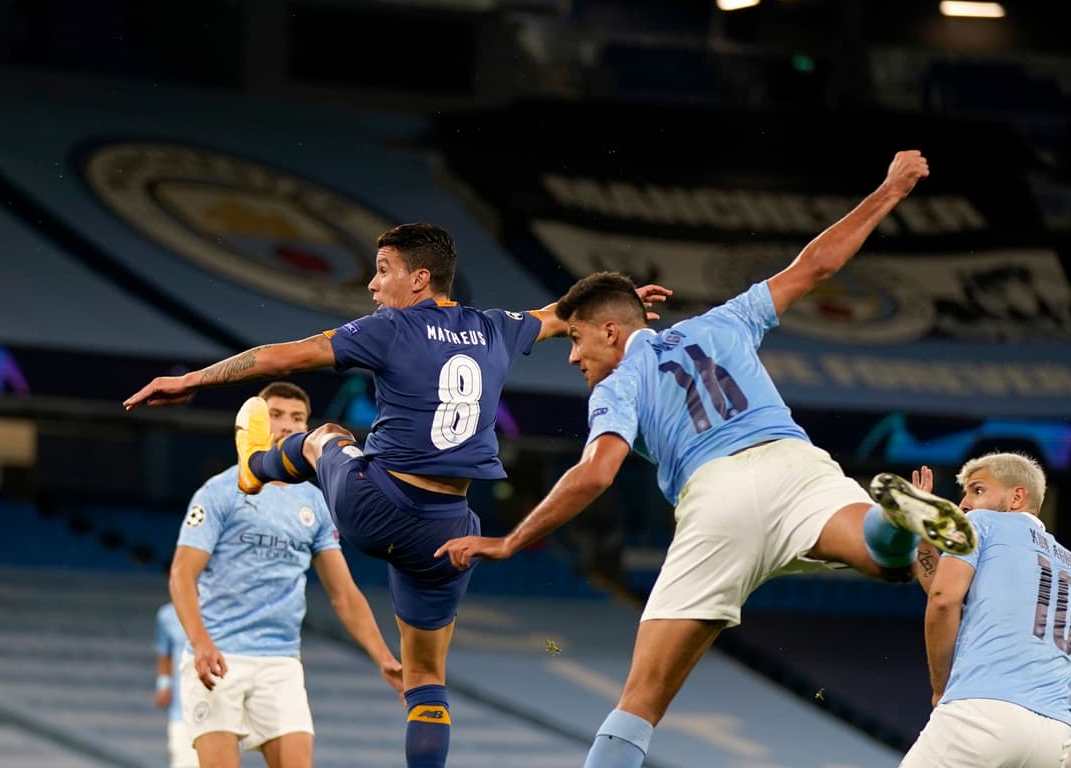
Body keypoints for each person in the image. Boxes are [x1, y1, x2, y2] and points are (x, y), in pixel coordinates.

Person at [435, 151, 980, 768]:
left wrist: (511, 541)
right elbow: (817, 266)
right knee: (888, 561)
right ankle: (895, 515)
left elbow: (596, 473)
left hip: (716, 498)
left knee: (640, 701)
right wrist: (889, 189)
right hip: (798, 466)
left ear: (611, 332)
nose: (571, 356)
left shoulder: (618, 385)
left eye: (577, 337)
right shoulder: (724, 322)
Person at [126, 222, 668, 768]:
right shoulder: (494, 328)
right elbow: (558, 315)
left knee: (324, 436)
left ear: (420, 279)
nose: (372, 284)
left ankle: (255, 469)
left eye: (383, 271)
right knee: (427, 680)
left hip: (377, 503)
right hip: (448, 529)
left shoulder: (391, 328)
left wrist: (194, 379)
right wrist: (618, 307)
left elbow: (284, 357)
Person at [167, 381, 405, 768]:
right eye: (275, 415)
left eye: (297, 418)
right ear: (255, 421)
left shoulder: (315, 501)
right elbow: (181, 574)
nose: (286, 425)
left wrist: (383, 658)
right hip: (218, 656)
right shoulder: (220, 492)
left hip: (279, 661)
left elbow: (343, 592)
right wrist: (201, 642)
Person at [899, 455, 1071, 768]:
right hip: (1053, 734)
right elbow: (948, 589)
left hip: (983, 711)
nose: (965, 504)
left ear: (1017, 496)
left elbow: (943, 599)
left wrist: (941, 689)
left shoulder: (980, 523)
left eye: (977, 490)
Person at [156, 601, 198, 768]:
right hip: (181, 709)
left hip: (218, 704)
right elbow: (164, 652)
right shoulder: (166, 615)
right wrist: (163, 684)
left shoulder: (219, 609)